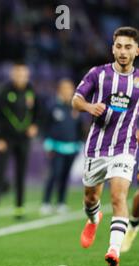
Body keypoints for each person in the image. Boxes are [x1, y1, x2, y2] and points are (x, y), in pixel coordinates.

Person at [72, 26, 139, 266]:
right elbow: (75, 100)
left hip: (125, 149)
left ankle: (114, 249)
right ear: (113, 48)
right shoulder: (97, 74)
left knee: (119, 196)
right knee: (91, 198)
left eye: (128, 47)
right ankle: (93, 218)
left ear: (136, 50)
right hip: (96, 148)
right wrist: (89, 107)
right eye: (119, 46)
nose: (123, 51)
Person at [0, 62, 39, 220]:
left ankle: (19, 208)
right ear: (12, 75)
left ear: (27, 75)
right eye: (17, 74)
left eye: (23, 74)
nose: (20, 77)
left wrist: (35, 126)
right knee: (0, 173)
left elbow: (39, 112)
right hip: (6, 139)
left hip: (23, 139)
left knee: (21, 174)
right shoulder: (4, 92)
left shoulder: (32, 91)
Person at [40, 79, 84, 215]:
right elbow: (45, 126)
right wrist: (47, 142)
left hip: (71, 148)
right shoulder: (52, 107)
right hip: (56, 148)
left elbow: (80, 128)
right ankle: (46, 203)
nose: (67, 91)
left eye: (69, 89)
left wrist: (79, 143)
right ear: (59, 90)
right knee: (54, 175)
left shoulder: (75, 108)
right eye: (64, 89)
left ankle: (61, 203)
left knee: (65, 177)